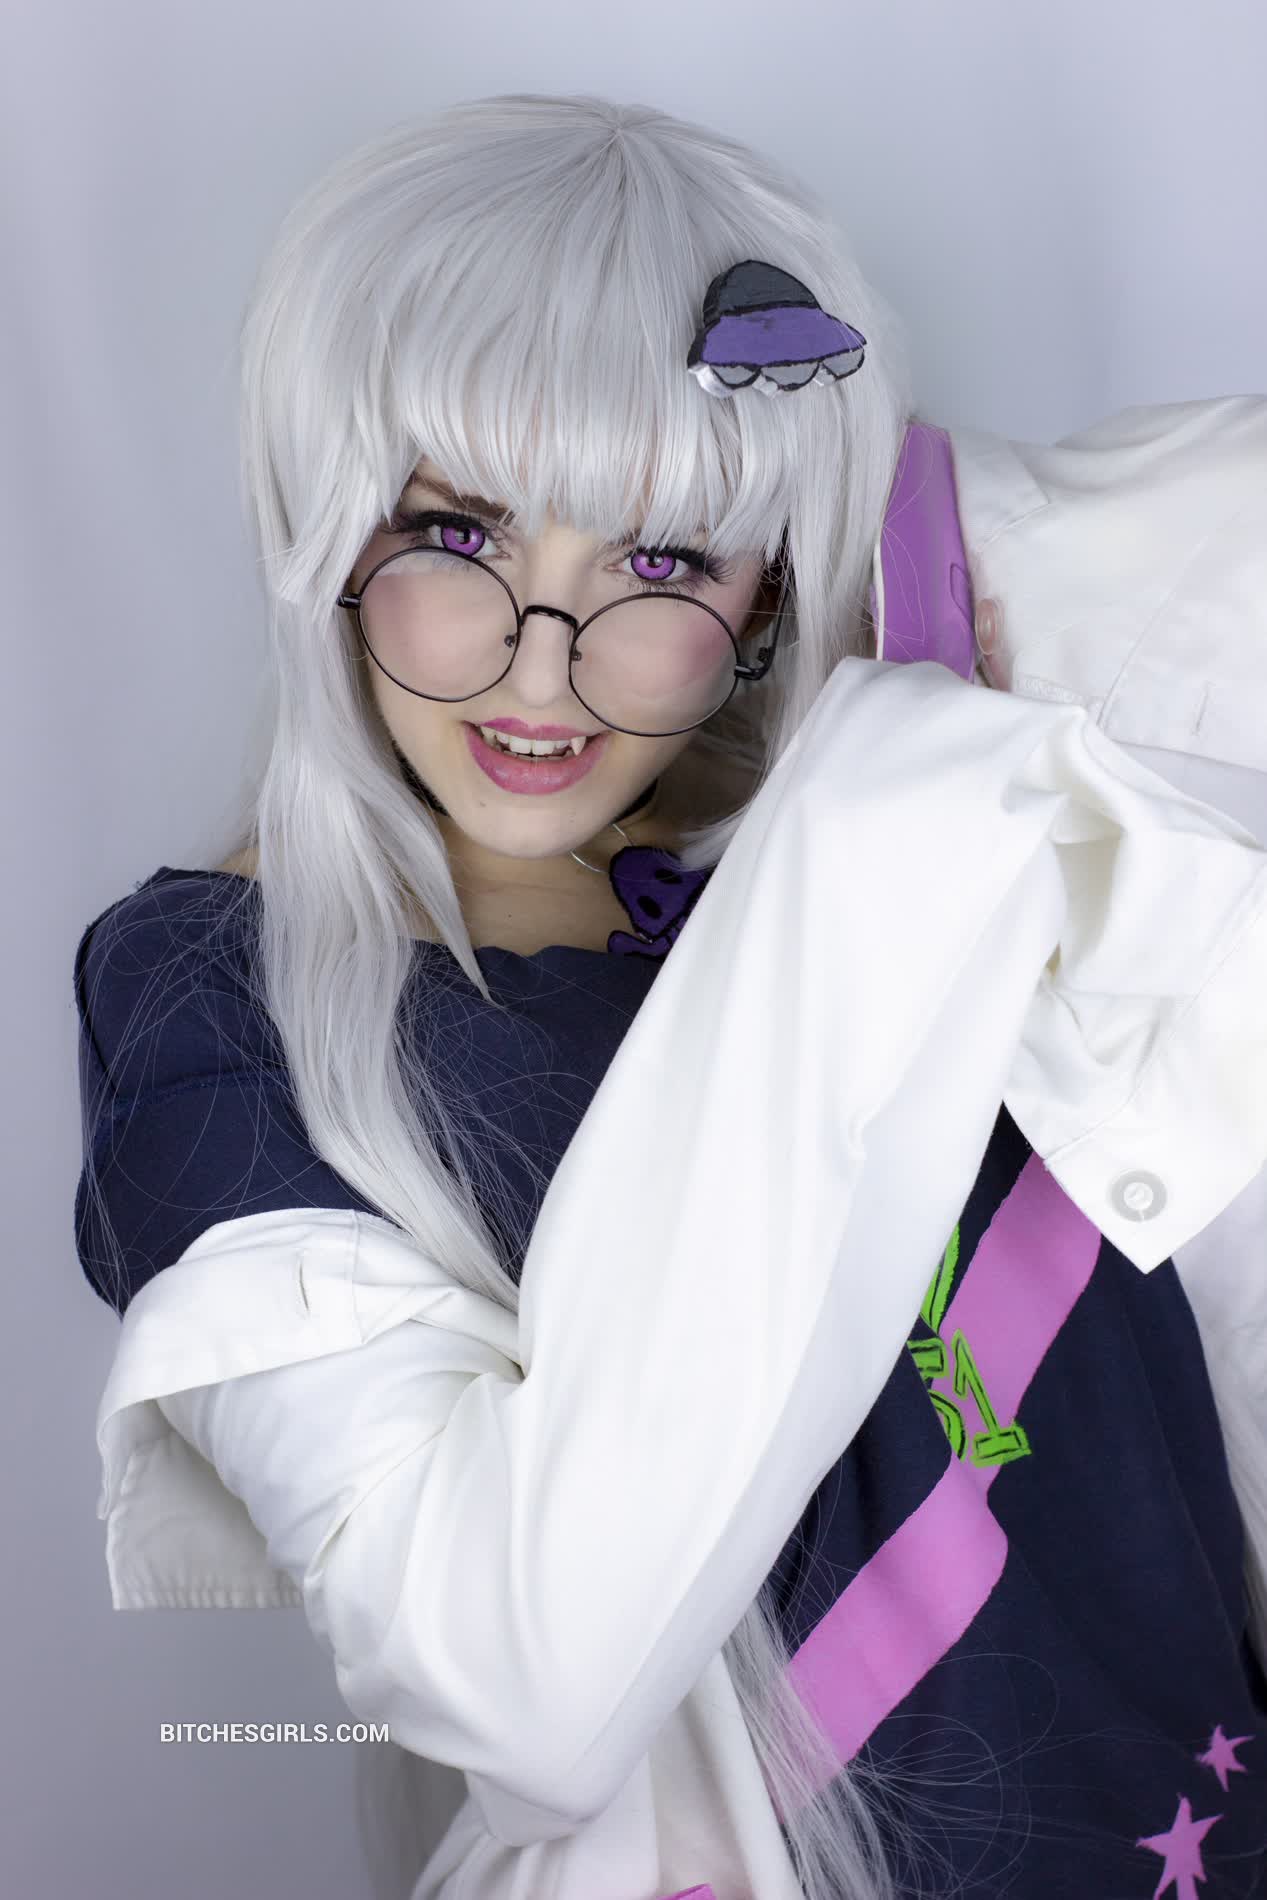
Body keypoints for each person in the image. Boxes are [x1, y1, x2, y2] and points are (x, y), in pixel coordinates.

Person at [72, 95, 1267, 1899]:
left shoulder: (897, 796)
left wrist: (925, 594)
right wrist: (875, 819)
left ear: (770, 575)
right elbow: (512, 1684)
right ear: (324, 525)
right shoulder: (218, 997)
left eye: (658, 562)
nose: (542, 672)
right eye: (459, 535)